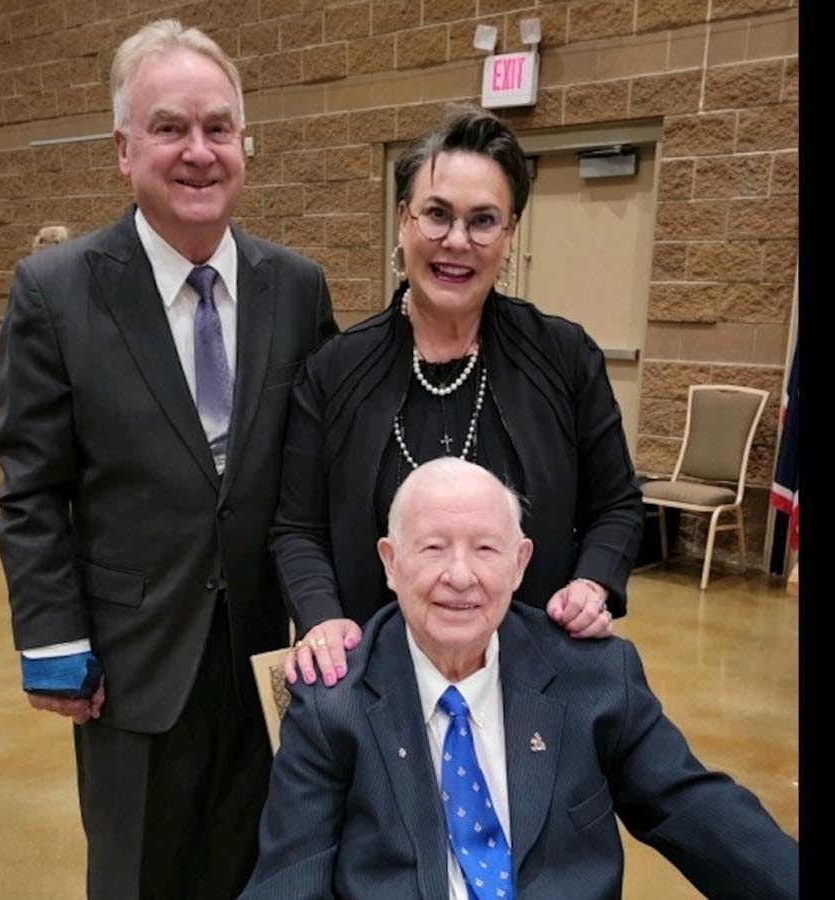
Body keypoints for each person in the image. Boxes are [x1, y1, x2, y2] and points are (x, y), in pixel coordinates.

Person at [0, 19, 339, 900]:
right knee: (139, 876)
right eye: (170, 128)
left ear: (243, 144)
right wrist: (54, 643)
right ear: (122, 148)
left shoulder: (296, 288)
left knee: (263, 870)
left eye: (219, 128)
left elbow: (322, 470)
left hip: (268, 662)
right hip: (130, 668)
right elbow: (32, 491)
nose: (199, 151)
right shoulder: (58, 292)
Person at [242, 459, 799, 900]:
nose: (459, 576)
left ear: (519, 562)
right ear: (391, 562)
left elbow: (698, 812)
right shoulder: (333, 702)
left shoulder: (593, 676)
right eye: (433, 547)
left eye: (486, 549)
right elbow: (286, 884)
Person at [273, 106, 645, 687]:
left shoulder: (566, 359)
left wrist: (592, 584)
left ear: (510, 232)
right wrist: (321, 618)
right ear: (402, 220)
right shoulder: (332, 372)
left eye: (483, 220)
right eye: (437, 215)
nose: (456, 242)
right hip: (375, 682)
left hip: (535, 677)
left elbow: (616, 505)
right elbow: (298, 528)